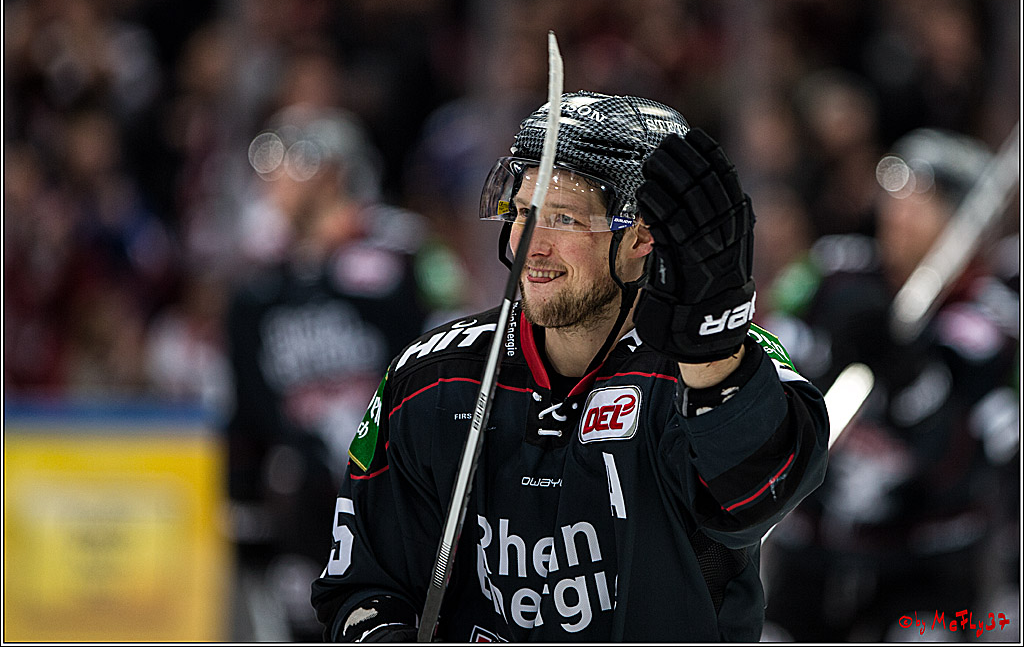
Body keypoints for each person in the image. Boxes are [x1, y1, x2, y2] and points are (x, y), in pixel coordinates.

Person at [310, 91, 831, 641]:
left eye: (563, 218)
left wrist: (712, 355)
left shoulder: (711, 363)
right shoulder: (433, 379)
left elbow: (758, 497)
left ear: (640, 235)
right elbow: (364, 586)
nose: (531, 246)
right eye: (523, 213)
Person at [760, 128, 1020, 641]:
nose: (900, 211)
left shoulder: (989, 319)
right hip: (812, 556)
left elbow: (979, 457)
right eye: (896, 193)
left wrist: (914, 384)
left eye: (924, 199)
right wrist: (820, 358)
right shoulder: (835, 272)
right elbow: (768, 349)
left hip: (927, 569)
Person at [225, 104, 456, 640]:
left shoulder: (404, 251)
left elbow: (459, 336)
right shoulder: (259, 288)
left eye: (292, 161)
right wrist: (242, 497)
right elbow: (249, 405)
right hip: (303, 498)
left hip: (400, 483)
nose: (274, 178)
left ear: (331, 172)